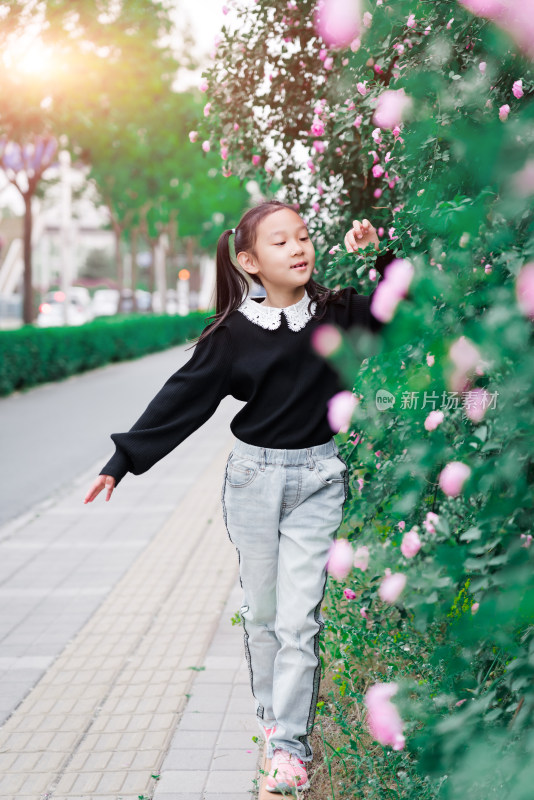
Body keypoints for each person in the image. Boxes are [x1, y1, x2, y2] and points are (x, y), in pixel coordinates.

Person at [84, 199, 397, 793]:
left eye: (303, 237)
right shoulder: (232, 335)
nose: (299, 248)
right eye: (281, 243)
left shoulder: (338, 311)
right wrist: (124, 460)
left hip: (318, 480)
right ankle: (270, 717)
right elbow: (184, 398)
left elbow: (398, 307)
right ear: (250, 261)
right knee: (263, 617)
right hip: (253, 481)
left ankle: (287, 749)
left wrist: (380, 254)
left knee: (299, 620)